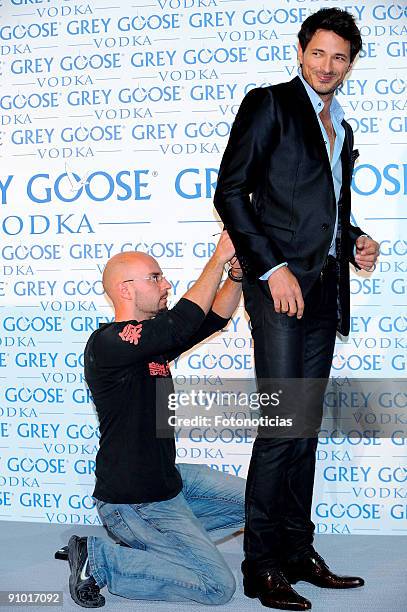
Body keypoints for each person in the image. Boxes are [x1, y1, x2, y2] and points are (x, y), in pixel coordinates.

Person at [214, 8, 380, 611]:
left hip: (325, 290)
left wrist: (354, 237)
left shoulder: (343, 126)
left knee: (305, 429)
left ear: (350, 63)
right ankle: (260, 563)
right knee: (282, 426)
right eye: (319, 53)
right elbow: (231, 191)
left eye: (340, 57)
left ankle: (295, 550)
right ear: (301, 51)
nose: (328, 66)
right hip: (278, 288)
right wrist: (272, 267)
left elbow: (325, 209)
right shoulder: (270, 104)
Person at [66, 231, 246, 608]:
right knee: (216, 586)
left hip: (170, 483)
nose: (166, 285)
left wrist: (235, 277)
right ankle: (99, 560)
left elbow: (210, 319)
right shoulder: (108, 343)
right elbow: (180, 323)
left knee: (260, 499)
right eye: (155, 278)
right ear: (125, 289)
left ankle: (167, 545)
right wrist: (218, 258)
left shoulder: (153, 343)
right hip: (133, 502)